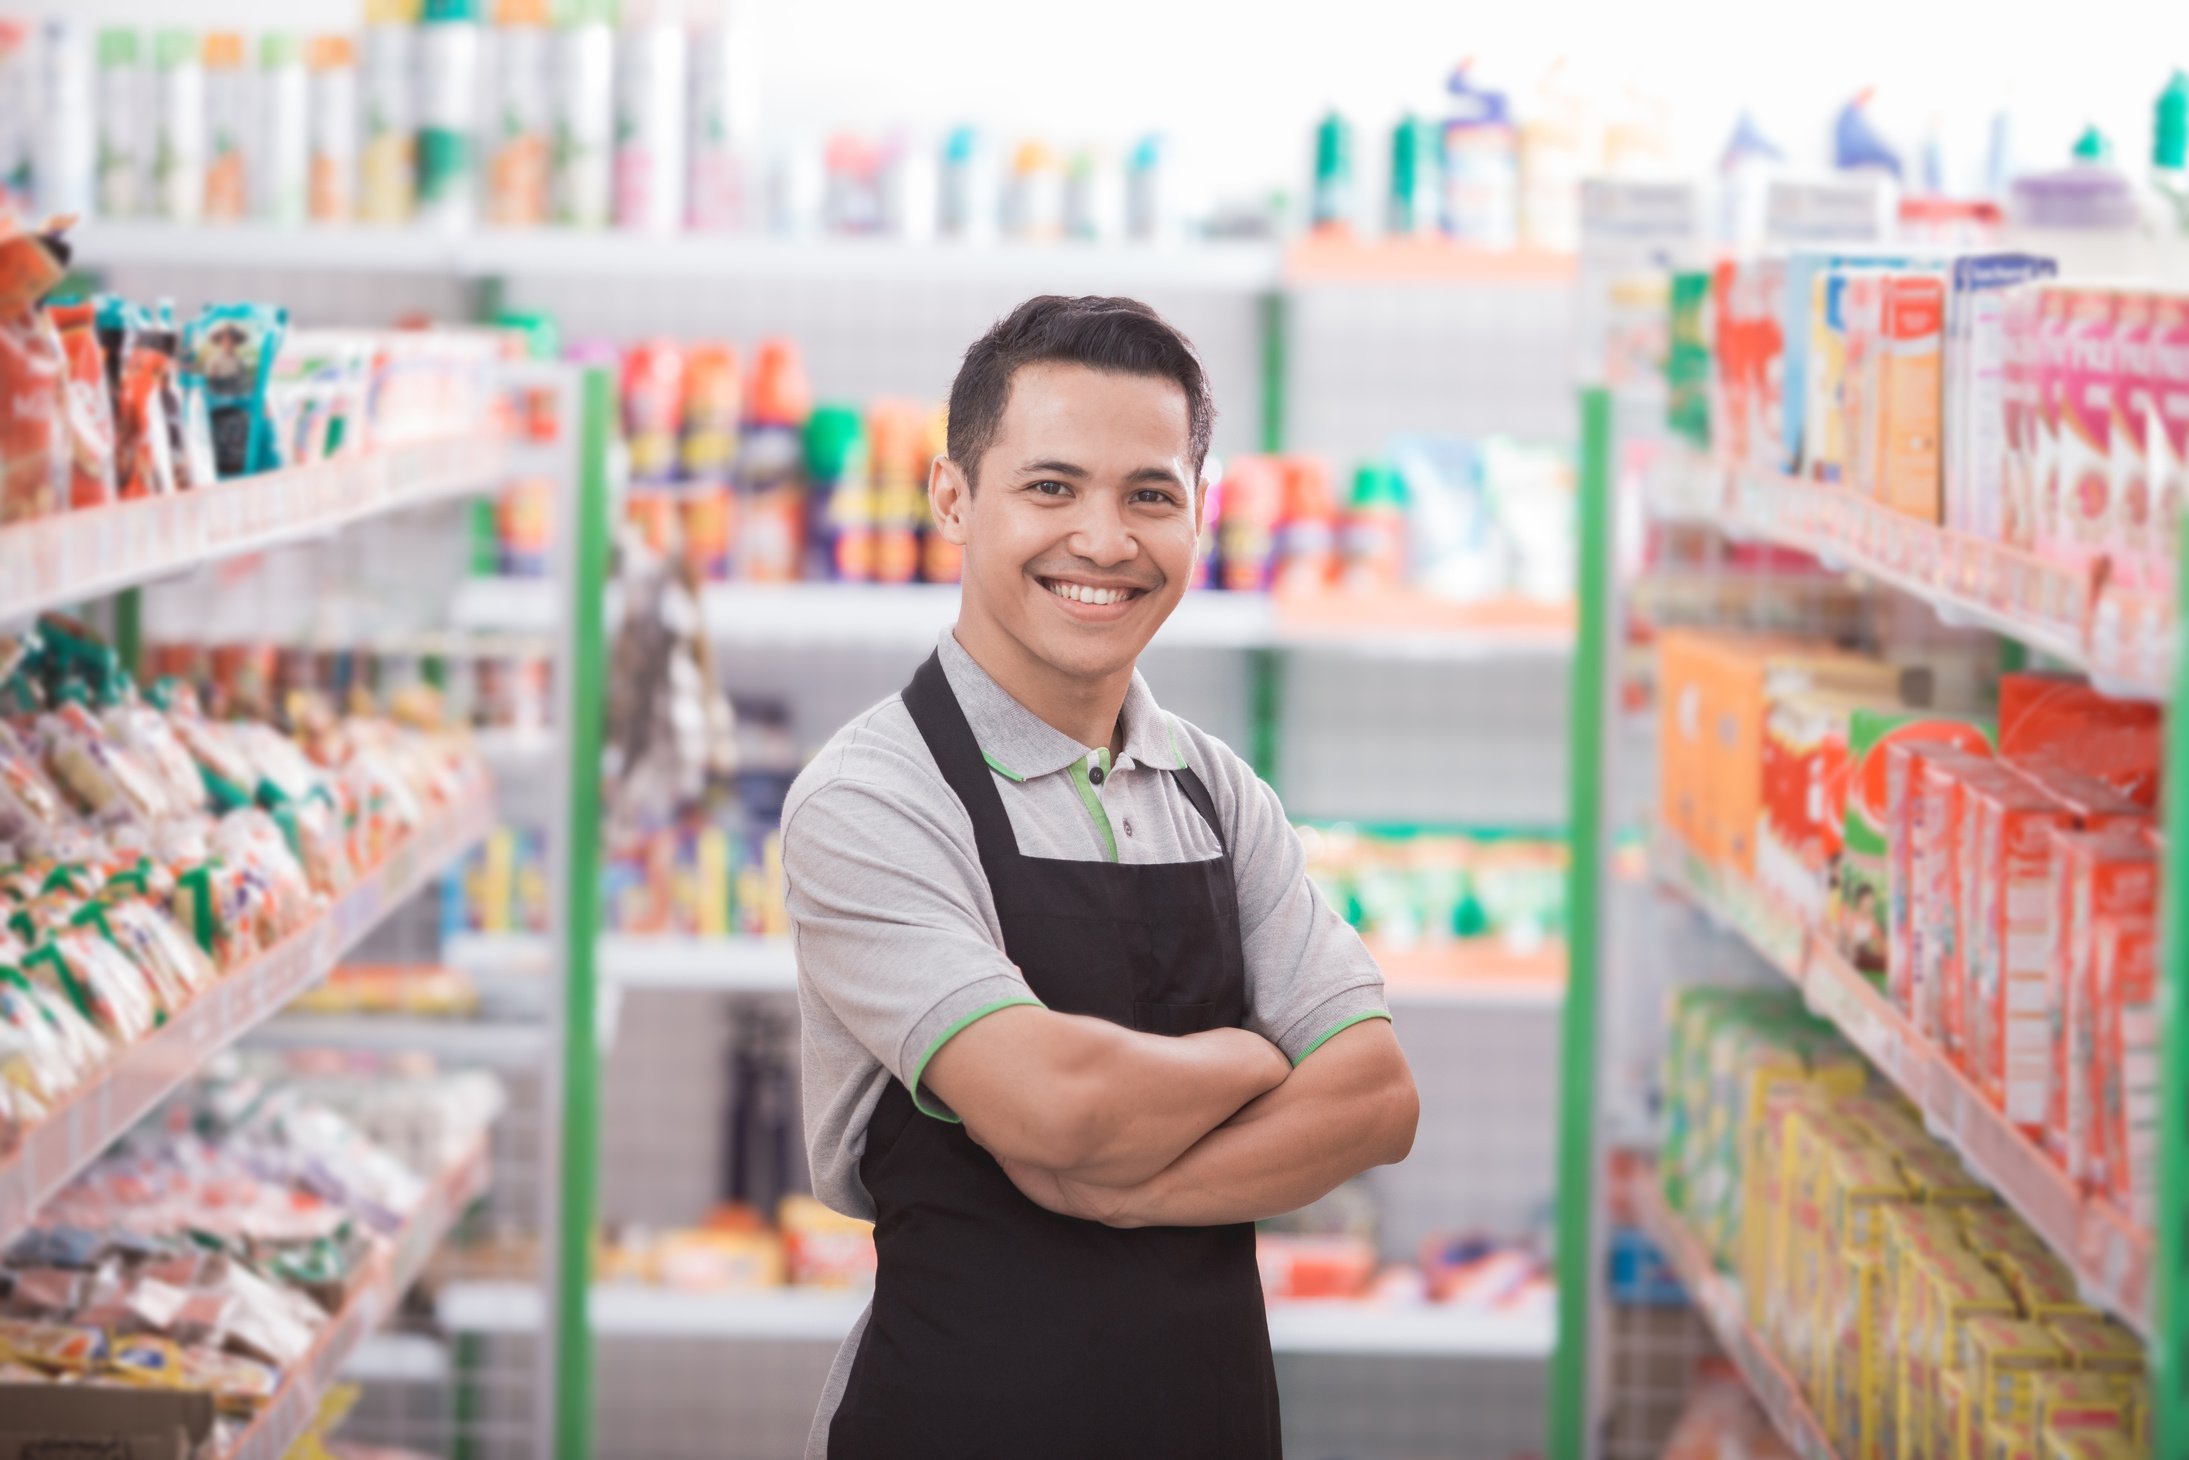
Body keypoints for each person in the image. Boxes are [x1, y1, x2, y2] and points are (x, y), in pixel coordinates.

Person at [784, 294, 1420, 1460]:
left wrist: (1124, 1190)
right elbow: (1052, 1103)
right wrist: (1250, 1052)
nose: (1104, 538)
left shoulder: (1214, 791)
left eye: (1149, 495)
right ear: (949, 497)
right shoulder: (873, 795)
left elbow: (1377, 1098)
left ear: (1196, 515)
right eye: (1050, 486)